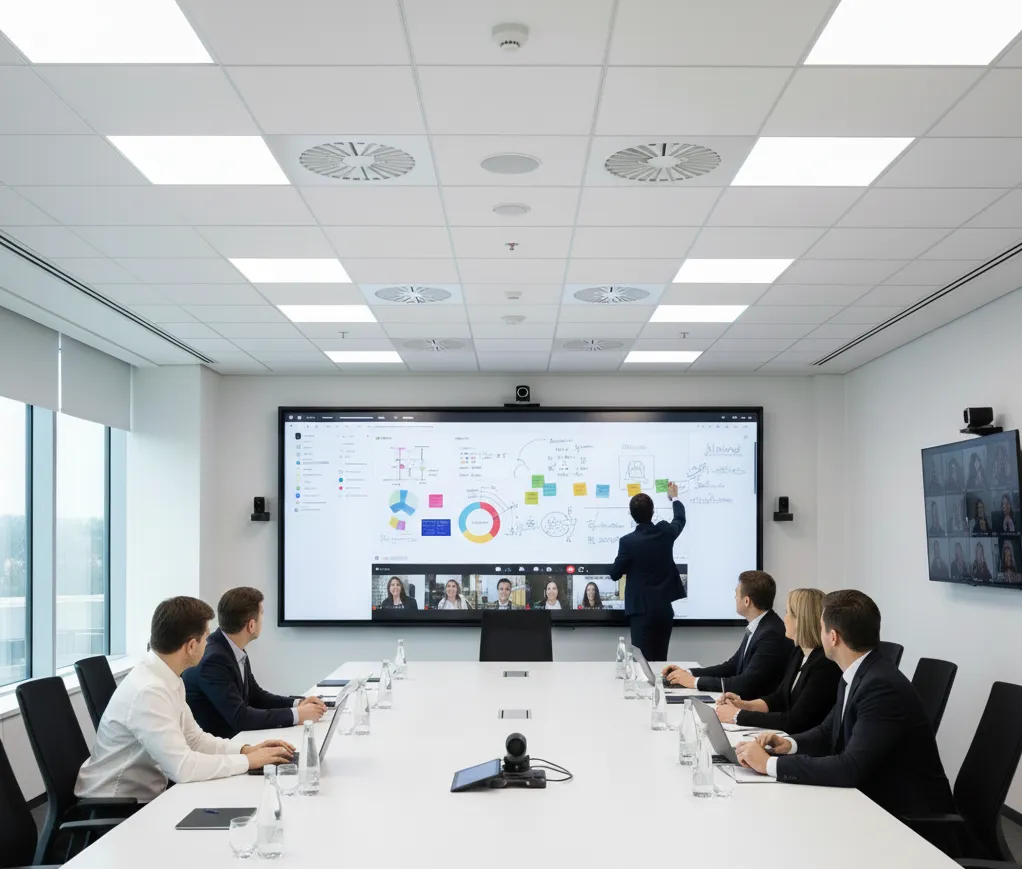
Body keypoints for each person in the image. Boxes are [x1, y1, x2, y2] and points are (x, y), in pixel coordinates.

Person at [735, 590, 955, 818]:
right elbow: (828, 731)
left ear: (833, 637)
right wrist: (787, 744)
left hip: (910, 820)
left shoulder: (880, 686)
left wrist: (770, 765)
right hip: (873, 801)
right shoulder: (859, 672)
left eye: (821, 628)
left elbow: (850, 768)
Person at [76, 597, 294, 801]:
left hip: (148, 795)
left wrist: (246, 750)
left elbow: (195, 740)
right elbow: (182, 767)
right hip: (119, 805)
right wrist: (248, 762)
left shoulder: (167, 676)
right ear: (191, 646)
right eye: (206, 638)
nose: (209, 644)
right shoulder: (149, 691)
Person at [183, 588, 326, 739]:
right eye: (262, 614)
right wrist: (297, 715)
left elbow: (256, 696)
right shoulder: (214, 659)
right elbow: (240, 717)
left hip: (237, 739)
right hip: (220, 748)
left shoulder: (231, 648)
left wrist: (298, 703)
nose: (263, 619)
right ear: (251, 625)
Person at [715, 588, 839, 734]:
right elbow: (779, 698)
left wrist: (737, 716)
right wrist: (744, 705)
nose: (784, 619)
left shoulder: (825, 665)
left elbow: (795, 721)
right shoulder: (799, 652)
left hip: (803, 745)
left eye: (787, 613)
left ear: (802, 620)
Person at [663, 570, 792, 696]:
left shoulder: (770, 633)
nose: (735, 597)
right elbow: (731, 667)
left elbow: (746, 684)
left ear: (747, 601)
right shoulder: (760, 625)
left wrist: (694, 682)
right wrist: (688, 673)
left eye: (737, 594)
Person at [607, 483, 686, 662]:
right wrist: (675, 498)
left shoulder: (628, 542)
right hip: (664, 610)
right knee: (660, 660)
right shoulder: (665, 532)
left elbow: (614, 574)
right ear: (652, 511)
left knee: (642, 663)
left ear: (632, 514)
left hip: (641, 613)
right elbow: (680, 519)